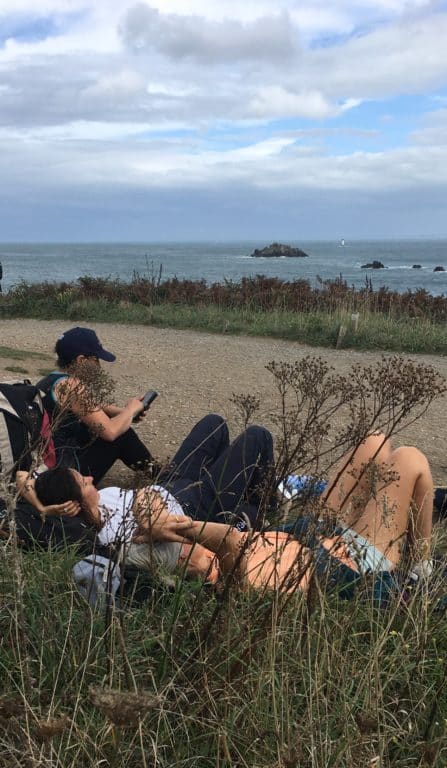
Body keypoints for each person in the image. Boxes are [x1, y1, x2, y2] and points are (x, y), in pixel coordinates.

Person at [29, 415, 434, 596]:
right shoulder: (217, 567)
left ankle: (416, 563)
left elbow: (26, 482)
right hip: (346, 561)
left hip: (307, 535)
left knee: (376, 441)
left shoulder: (133, 522)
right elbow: (222, 545)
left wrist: (148, 511)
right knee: (411, 459)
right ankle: (419, 567)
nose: (88, 478)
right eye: (81, 484)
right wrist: (182, 529)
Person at [37, 327, 157, 484]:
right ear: (81, 360)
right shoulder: (72, 386)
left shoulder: (54, 380)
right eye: (96, 360)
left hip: (48, 462)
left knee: (105, 422)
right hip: (63, 476)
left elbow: (93, 407)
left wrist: (124, 413)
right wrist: (131, 409)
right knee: (121, 435)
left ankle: (152, 470)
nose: (99, 366)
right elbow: (110, 432)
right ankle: (162, 476)